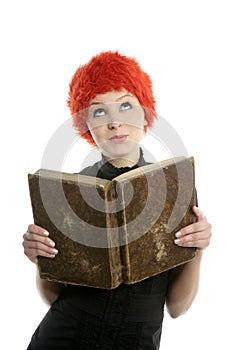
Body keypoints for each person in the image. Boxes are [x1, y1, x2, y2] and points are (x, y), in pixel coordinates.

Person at [23, 51, 212, 350]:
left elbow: (177, 308)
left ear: (145, 113)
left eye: (126, 105)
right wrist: (41, 260)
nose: (114, 122)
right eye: (99, 112)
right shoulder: (67, 192)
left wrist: (198, 251)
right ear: (87, 125)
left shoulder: (173, 188)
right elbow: (52, 297)